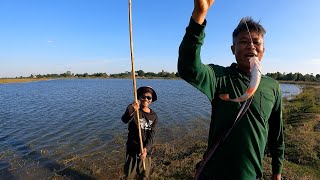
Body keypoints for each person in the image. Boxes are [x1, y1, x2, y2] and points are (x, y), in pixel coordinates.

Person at [177, 0, 284, 180]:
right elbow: (188, 68)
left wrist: (277, 171)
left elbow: (276, 132)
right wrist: (198, 17)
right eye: (243, 42)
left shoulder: (272, 86)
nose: (251, 46)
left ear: (263, 51)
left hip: (251, 176)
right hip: (213, 175)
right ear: (233, 49)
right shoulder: (219, 77)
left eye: (256, 42)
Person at [121, 86, 158, 179]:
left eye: (149, 97)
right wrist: (131, 109)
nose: (146, 99)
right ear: (139, 98)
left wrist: (146, 149)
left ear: (151, 100)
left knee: (144, 175)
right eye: (143, 97)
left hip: (145, 152)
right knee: (129, 176)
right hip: (132, 149)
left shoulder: (154, 116)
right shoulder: (134, 109)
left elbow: (151, 135)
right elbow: (124, 119)